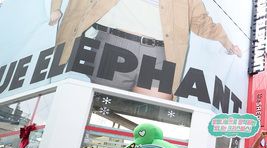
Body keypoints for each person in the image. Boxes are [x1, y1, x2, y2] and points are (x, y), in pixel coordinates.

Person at [50, 0, 242, 99]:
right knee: (96, 106)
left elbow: (201, 20)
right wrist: (54, 8)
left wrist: (226, 42)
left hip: (161, 54)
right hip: (114, 45)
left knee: (150, 117)